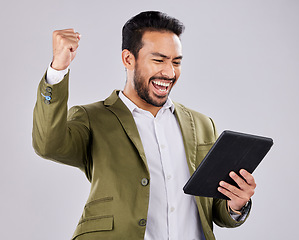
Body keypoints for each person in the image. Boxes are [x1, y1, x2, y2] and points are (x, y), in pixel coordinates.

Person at [32, 11, 256, 240]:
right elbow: (48, 144)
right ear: (128, 59)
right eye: (158, 60)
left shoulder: (202, 125)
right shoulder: (93, 118)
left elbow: (214, 208)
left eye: (176, 62)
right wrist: (57, 70)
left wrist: (236, 204)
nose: (169, 73)